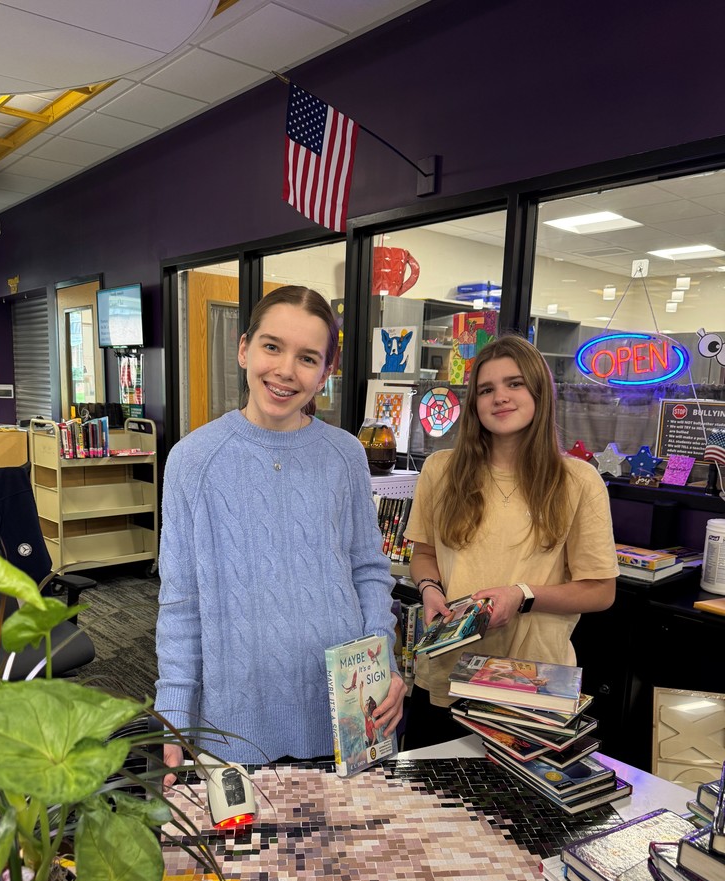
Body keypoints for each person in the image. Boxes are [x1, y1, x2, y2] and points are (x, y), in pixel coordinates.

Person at [156, 285, 406, 778]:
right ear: (244, 348)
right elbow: (181, 601)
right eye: (272, 346)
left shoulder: (346, 455)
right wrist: (174, 707)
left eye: (308, 357)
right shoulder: (192, 460)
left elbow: (369, 571)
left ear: (326, 373)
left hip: (348, 710)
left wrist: (384, 664)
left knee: (353, 851)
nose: (286, 370)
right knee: (249, 855)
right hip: (236, 720)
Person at [403, 333, 618, 751]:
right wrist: (429, 589)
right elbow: (424, 553)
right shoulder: (440, 470)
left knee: (514, 813)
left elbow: (601, 591)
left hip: (532, 683)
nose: (499, 397)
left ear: (538, 392)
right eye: (486, 389)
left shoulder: (578, 481)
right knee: (432, 807)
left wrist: (521, 596)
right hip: (449, 671)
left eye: (514, 384)